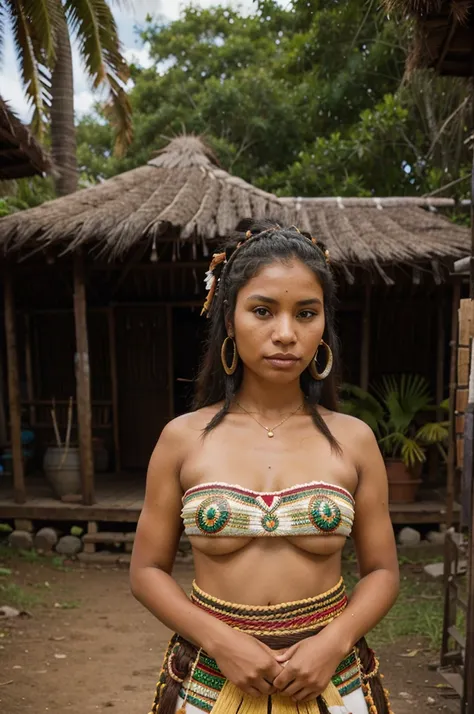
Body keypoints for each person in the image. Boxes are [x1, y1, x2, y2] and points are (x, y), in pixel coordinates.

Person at [130, 221, 399, 714]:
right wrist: (220, 641)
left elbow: (382, 571)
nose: (285, 334)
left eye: (306, 314)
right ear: (229, 321)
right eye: (262, 311)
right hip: (210, 683)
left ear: (324, 326)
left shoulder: (354, 439)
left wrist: (332, 643)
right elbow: (146, 570)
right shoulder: (181, 439)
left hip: (333, 682)